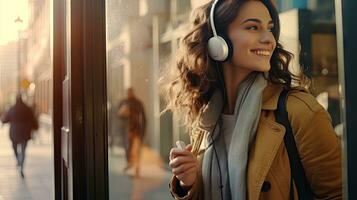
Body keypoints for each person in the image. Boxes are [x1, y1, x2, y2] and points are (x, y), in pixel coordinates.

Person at [164, 0, 342, 199]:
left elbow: (339, 194)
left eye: (270, 28)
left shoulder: (299, 111)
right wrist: (187, 183)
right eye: (252, 27)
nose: (269, 39)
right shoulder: (207, 117)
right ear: (218, 41)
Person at [1, 94, 38, 178]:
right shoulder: (27, 108)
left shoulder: (12, 109)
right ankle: (21, 166)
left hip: (14, 133)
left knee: (14, 147)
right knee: (23, 150)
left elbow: (6, 119)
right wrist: (35, 127)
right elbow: (33, 119)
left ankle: (18, 159)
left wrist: (3, 122)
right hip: (25, 132)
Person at [117, 88, 146, 177]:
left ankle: (136, 170)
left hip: (136, 131)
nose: (129, 94)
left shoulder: (138, 103)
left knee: (136, 151)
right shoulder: (124, 102)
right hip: (127, 131)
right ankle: (130, 164)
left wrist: (143, 131)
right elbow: (119, 116)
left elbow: (143, 118)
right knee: (128, 149)